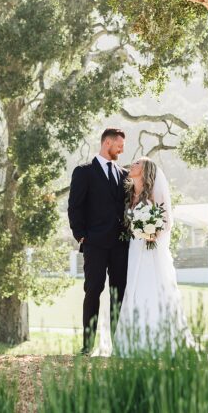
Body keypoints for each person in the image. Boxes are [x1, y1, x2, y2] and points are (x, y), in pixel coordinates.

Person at [113, 156, 192, 355]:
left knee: (152, 286)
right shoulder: (130, 193)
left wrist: (151, 232)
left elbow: (166, 221)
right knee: (134, 287)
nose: (133, 165)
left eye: (137, 163)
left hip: (152, 248)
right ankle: (132, 342)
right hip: (134, 247)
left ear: (146, 169)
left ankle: (161, 339)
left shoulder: (154, 193)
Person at [67, 128, 129, 355]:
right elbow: (74, 206)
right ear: (107, 143)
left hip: (121, 245)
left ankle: (117, 346)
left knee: (118, 293)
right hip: (95, 243)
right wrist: (80, 235)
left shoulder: (124, 174)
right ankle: (87, 346)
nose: (122, 149)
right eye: (119, 145)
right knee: (93, 290)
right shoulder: (84, 172)